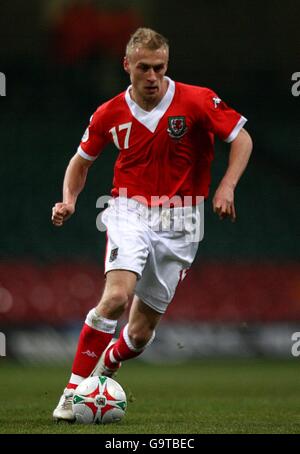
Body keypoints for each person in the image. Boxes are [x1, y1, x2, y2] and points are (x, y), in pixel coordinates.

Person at [51, 27, 253, 421]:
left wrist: (226, 187)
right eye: (143, 67)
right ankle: (72, 392)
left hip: (183, 221)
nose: (151, 76)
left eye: (159, 68)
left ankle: (107, 365)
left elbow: (241, 139)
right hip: (130, 209)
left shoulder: (196, 100)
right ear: (126, 65)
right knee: (115, 298)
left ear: (167, 65)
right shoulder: (109, 112)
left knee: (140, 334)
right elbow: (81, 162)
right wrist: (69, 200)